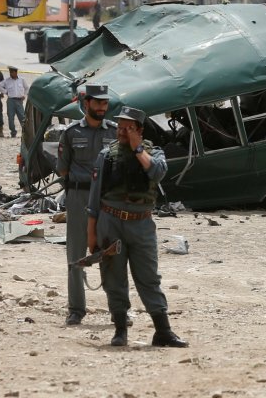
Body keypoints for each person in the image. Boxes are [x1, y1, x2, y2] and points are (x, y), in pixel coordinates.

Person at [87, 106, 187, 348]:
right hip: (110, 222)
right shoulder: (106, 155)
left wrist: (138, 148)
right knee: (113, 277)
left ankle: (163, 331)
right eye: (120, 127)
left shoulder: (155, 153)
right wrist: (91, 234)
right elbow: (94, 198)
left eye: (128, 128)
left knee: (149, 278)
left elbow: (157, 173)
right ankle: (120, 329)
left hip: (141, 224)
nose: (121, 132)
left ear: (139, 130)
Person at [56, 84, 117, 326]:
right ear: (86, 103)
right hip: (79, 197)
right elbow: (63, 167)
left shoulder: (114, 131)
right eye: (98, 102)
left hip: (106, 199)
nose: (102, 107)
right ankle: (76, 309)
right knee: (76, 253)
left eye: (105, 103)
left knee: (111, 252)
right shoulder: (70, 133)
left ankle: (117, 308)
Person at [0, 66, 28, 138]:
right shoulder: (7, 81)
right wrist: (5, 92)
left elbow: (27, 88)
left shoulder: (22, 80)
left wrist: (24, 95)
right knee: (10, 118)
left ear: (16, 72)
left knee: (22, 117)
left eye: (12, 72)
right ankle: (13, 132)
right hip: (10, 100)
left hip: (19, 100)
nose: (11, 73)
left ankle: (25, 132)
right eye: (10, 72)